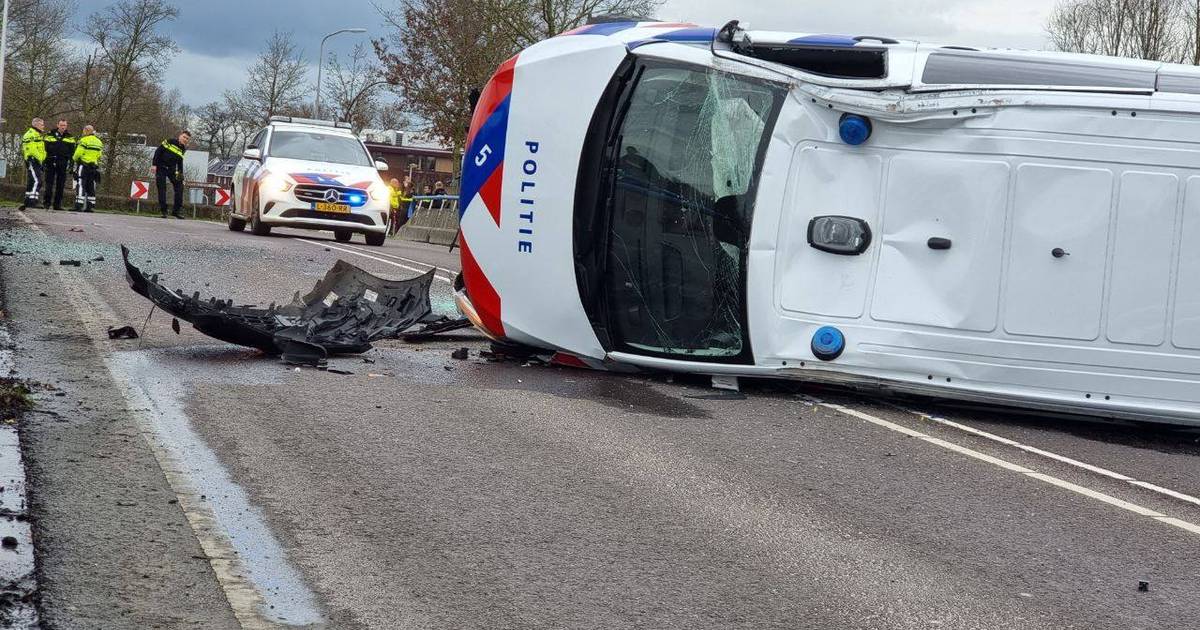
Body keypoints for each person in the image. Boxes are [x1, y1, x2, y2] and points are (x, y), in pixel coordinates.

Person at [151, 130, 190, 218]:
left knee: (180, 187)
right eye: (184, 137)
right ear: (180, 136)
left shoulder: (183, 149)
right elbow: (158, 151)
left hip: (172, 170)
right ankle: (164, 211)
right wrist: (154, 164)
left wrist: (181, 176)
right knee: (162, 188)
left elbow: (180, 162)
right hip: (161, 167)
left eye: (187, 139)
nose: (185, 139)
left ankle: (176, 212)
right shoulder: (170, 141)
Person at [42, 119, 76, 210]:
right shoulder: (49, 135)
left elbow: (73, 153)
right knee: (49, 183)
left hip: (63, 163)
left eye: (64, 125)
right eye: (61, 125)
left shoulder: (70, 137)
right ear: (57, 125)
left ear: (67, 126)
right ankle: (46, 203)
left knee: (60, 185)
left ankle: (57, 205)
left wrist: (71, 165)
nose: (63, 127)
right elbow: (44, 149)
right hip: (51, 161)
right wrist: (44, 161)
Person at [71, 125, 103, 213]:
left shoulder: (84, 140)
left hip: (84, 165)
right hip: (93, 167)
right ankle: (90, 206)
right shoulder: (99, 142)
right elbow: (99, 155)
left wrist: (74, 159)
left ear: (86, 131)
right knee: (91, 186)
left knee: (81, 184)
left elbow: (78, 153)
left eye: (84, 131)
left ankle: (79, 205)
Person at [18, 118, 46, 210]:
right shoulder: (30, 134)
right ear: (36, 125)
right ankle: (32, 201)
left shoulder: (37, 134)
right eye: (42, 124)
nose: (43, 126)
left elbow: (41, 149)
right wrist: (39, 159)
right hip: (33, 160)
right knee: (37, 181)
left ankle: (28, 200)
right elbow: (32, 150)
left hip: (37, 161)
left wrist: (42, 158)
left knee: (32, 181)